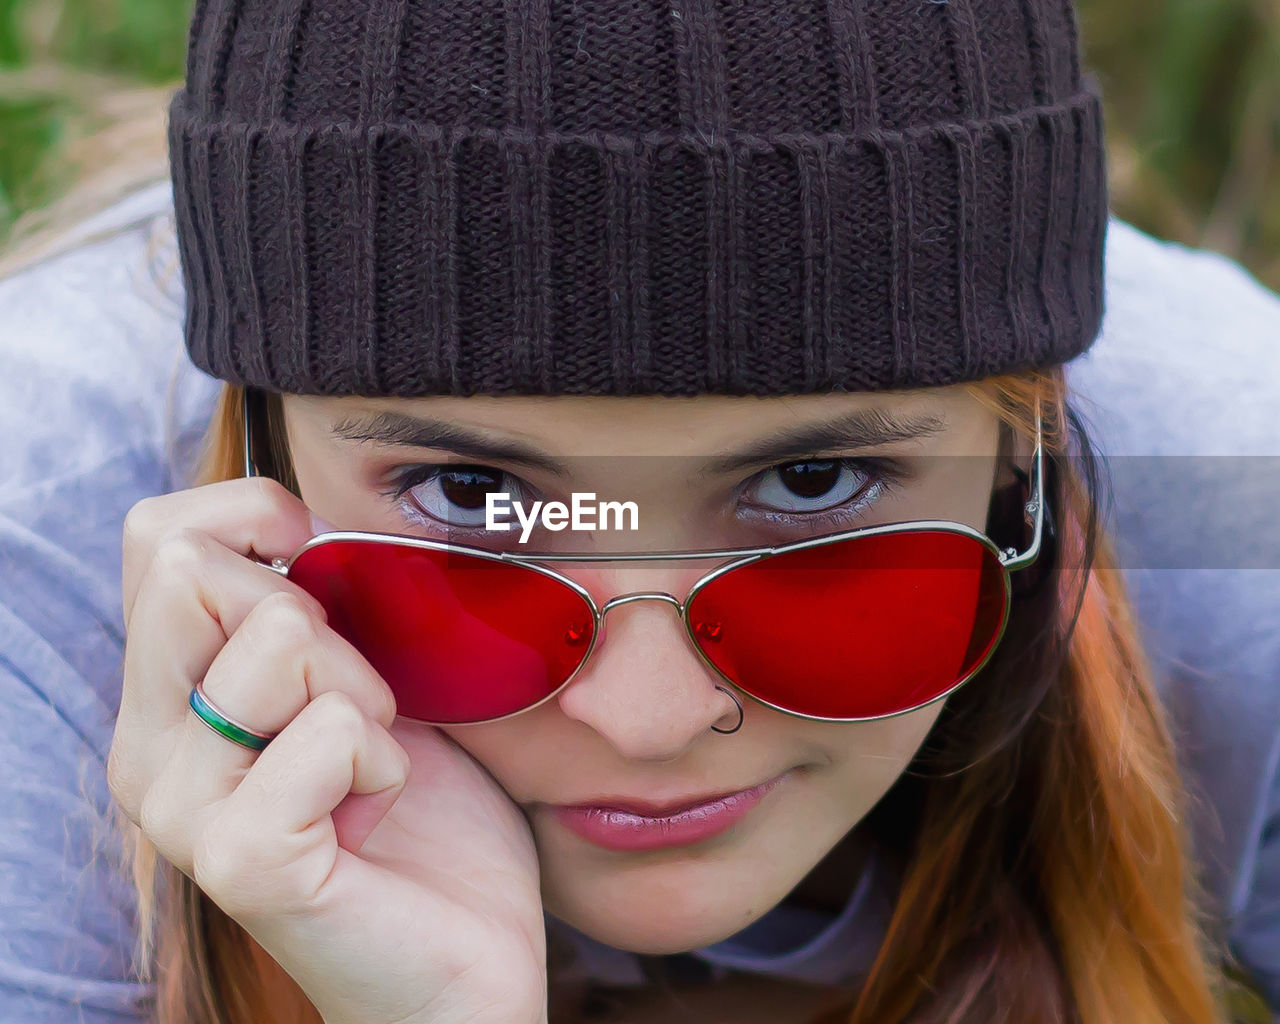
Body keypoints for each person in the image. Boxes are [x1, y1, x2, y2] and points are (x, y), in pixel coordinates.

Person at [1, 2, 1278, 1022]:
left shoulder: (1236, 495)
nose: (648, 718)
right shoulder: (34, 571)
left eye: (810, 485)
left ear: (1025, 450)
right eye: (474, 494)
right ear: (266, 439)